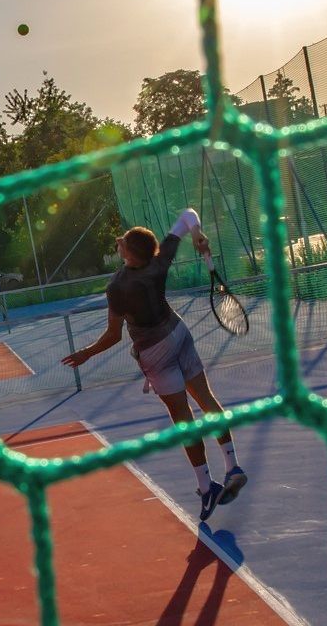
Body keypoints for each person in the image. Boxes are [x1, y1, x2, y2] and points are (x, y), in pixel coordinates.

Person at [63, 207, 246, 518]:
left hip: (154, 351)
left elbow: (113, 336)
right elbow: (189, 215)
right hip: (179, 333)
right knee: (206, 398)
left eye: (122, 242)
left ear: (130, 254)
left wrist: (86, 353)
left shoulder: (118, 286)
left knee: (183, 418)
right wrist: (199, 235)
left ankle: (206, 488)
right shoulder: (159, 262)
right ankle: (232, 465)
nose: (118, 242)